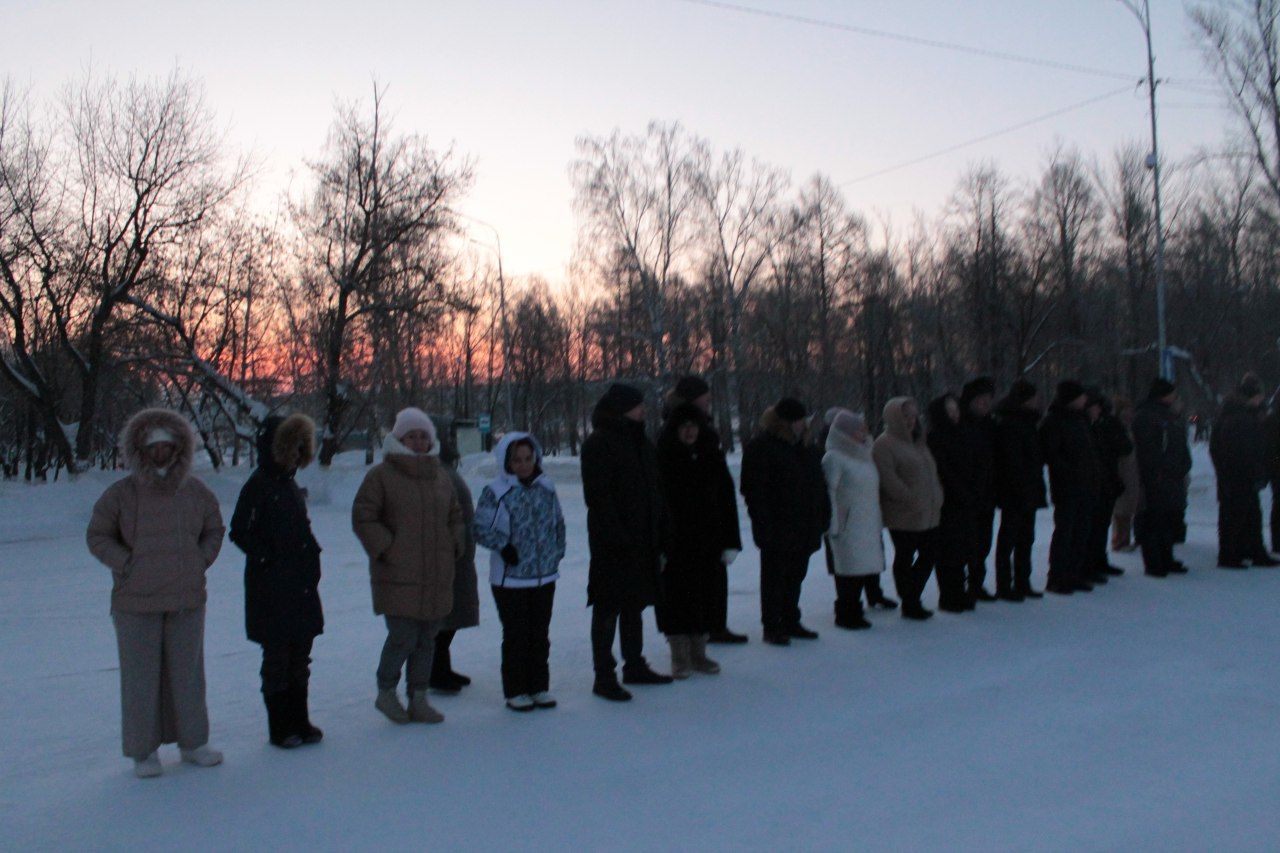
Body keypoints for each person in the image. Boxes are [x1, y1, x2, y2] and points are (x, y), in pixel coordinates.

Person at [86, 408, 225, 778]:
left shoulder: (196, 491)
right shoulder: (121, 494)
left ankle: (194, 744)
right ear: (140, 450)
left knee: (188, 676)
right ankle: (142, 752)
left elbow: (215, 528)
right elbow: (97, 535)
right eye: (153, 446)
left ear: (179, 447)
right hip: (136, 604)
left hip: (186, 600)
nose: (160, 452)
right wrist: (125, 562)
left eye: (167, 445)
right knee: (140, 679)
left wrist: (199, 560)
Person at [352, 408, 464, 725]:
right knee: (402, 638)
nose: (417, 442)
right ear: (398, 439)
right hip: (397, 575)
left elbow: (455, 515)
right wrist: (387, 547)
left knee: (427, 640)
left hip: (436, 574)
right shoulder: (381, 476)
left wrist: (455, 541)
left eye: (423, 436)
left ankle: (419, 698)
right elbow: (364, 516)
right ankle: (386, 692)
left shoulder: (439, 475)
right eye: (411, 436)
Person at [229, 413, 325, 750]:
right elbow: (238, 531)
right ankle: (280, 726)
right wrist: (267, 557)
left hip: (300, 586)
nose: (298, 453)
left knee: (300, 656)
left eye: (303, 446)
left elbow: (302, 528)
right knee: (277, 659)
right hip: (270, 589)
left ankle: (300, 718)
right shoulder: (259, 485)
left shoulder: (290, 485)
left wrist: (311, 553)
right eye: (292, 446)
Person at [581, 383, 673, 702]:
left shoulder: (640, 441)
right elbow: (599, 497)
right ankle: (603, 675)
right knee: (608, 606)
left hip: (643, 538)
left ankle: (634, 664)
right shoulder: (600, 443)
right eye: (637, 405)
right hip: (613, 544)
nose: (642, 410)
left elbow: (654, 489)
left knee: (634, 604)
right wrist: (618, 536)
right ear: (622, 408)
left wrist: (659, 529)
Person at [473, 432, 566, 711]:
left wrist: (556, 553)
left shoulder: (546, 488)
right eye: (517, 460)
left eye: (528, 458)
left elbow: (558, 524)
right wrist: (503, 546)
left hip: (544, 576)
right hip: (510, 579)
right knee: (516, 634)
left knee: (539, 633)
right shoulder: (496, 492)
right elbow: (479, 528)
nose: (523, 464)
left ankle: (538, 686)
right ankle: (516, 690)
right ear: (506, 462)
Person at [656, 402, 741, 676]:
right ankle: (679, 654)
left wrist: (731, 541)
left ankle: (699, 652)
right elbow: (656, 505)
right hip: (676, 544)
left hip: (709, 542)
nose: (690, 431)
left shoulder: (711, 456)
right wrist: (658, 545)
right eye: (684, 426)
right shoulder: (663, 458)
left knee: (706, 597)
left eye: (694, 425)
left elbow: (727, 500)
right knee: (677, 599)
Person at [740, 397, 831, 645]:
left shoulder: (808, 447)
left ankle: (790, 618)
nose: (804, 424)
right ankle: (772, 624)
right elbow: (754, 490)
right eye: (799, 420)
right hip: (778, 525)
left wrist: (823, 514)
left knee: (795, 575)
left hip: (805, 524)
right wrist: (763, 523)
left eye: (804, 420)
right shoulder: (762, 447)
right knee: (774, 578)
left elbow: (819, 485)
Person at [665, 374, 748, 645]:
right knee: (693, 581)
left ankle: (714, 624)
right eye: (705, 398)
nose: (709, 402)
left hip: (711, 517)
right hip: (690, 523)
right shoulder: (677, 431)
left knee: (714, 574)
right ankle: (699, 631)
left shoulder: (705, 430)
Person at [872, 397, 944, 621]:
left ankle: (911, 595)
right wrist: (910, 497)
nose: (911, 420)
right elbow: (888, 479)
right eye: (905, 416)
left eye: (913, 415)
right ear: (894, 418)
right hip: (903, 514)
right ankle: (910, 601)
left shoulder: (918, 441)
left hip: (928, 512)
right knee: (905, 556)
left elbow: (931, 474)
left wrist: (937, 495)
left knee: (929, 554)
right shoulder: (884, 444)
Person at [822, 409, 886, 630]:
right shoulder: (834, 457)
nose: (864, 433)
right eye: (859, 430)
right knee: (848, 571)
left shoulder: (864, 455)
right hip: (846, 525)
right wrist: (834, 524)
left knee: (860, 570)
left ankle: (855, 611)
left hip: (867, 523)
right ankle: (846, 614)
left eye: (864, 429)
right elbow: (829, 492)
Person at [1209, 374, 1278, 568]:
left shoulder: (1236, 415)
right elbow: (1241, 451)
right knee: (1237, 516)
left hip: (1237, 477)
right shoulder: (1239, 419)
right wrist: (1253, 470)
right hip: (1238, 477)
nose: (1262, 399)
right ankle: (1233, 554)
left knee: (1247, 515)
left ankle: (1249, 551)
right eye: (1258, 396)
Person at [430, 434, 481, 693]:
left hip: (458, 557)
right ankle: (436, 673)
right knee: (443, 619)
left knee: (449, 618)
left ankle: (441, 669)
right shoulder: (438, 474)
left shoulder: (444, 470)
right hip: (449, 558)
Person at [1038, 381, 1099, 594]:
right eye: (1081, 396)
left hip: (1085, 485)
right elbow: (1052, 455)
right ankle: (1057, 576)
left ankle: (1074, 573)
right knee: (1065, 532)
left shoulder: (1080, 420)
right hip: (1066, 487)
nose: (1085, 400)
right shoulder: (1054, 421)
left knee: (1081, 532)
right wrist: (1071, 473)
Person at [1132, 378, 1193, 578]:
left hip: (1171, 477)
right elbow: (1149, 451)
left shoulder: (1168, 417)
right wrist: (1158, 472)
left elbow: (1178, 447)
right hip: (1157, 478)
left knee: (1167, 520)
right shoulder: (1148, 417)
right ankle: (1154, 563)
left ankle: (1166, 558)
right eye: (1172, 394)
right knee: (1153, 520)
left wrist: (1183, 466)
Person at [992, 379, 1046, 600]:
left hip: (1027, 488)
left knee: (1026, 538)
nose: (1037, 401)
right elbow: (1011, 462)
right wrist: (1019, 486)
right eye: (1033, 398)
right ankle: (1005, 585)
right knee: (1010, 539)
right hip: (1014, 491)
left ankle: (1023, 581)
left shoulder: (1027, 423)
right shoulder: (1010, 424)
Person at [926, 393, 977, 613]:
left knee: (963, 547)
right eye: (949, 411)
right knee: (949, 550)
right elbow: (943, 470)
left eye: (956, 409)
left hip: (966, 500)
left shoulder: (963, 433)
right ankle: (948, 595)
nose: (954, 414)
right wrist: (960, 491)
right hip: (947, 502)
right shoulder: (936, 437)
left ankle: (960, 591)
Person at [1085, 389, 1133, 582]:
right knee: (1094, 526)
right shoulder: (1090, 425)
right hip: (1097, 481)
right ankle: (1091, 563)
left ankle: (1098, 561)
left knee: (1100, 525)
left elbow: (1125, 447)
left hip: (1107, 480)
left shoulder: (1107, 425)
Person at [959, 377, 999, 602]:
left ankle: (976, 582)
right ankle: (965, 583)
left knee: (984, 542)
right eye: (981, 400)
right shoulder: (962, 424)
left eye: (988, 400)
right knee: (969, 542)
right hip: (968, 493)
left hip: (987, 492)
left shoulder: (990, 425)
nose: (985, 405)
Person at [1111, 397, 1141, 553]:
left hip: (1130, 471)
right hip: (1122, 471)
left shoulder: (1129, 428)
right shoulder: (1118, 428)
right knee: (1121, 509)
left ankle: (1124, 538)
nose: (1130, 413)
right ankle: (1119, 541)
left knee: (1128, 507)